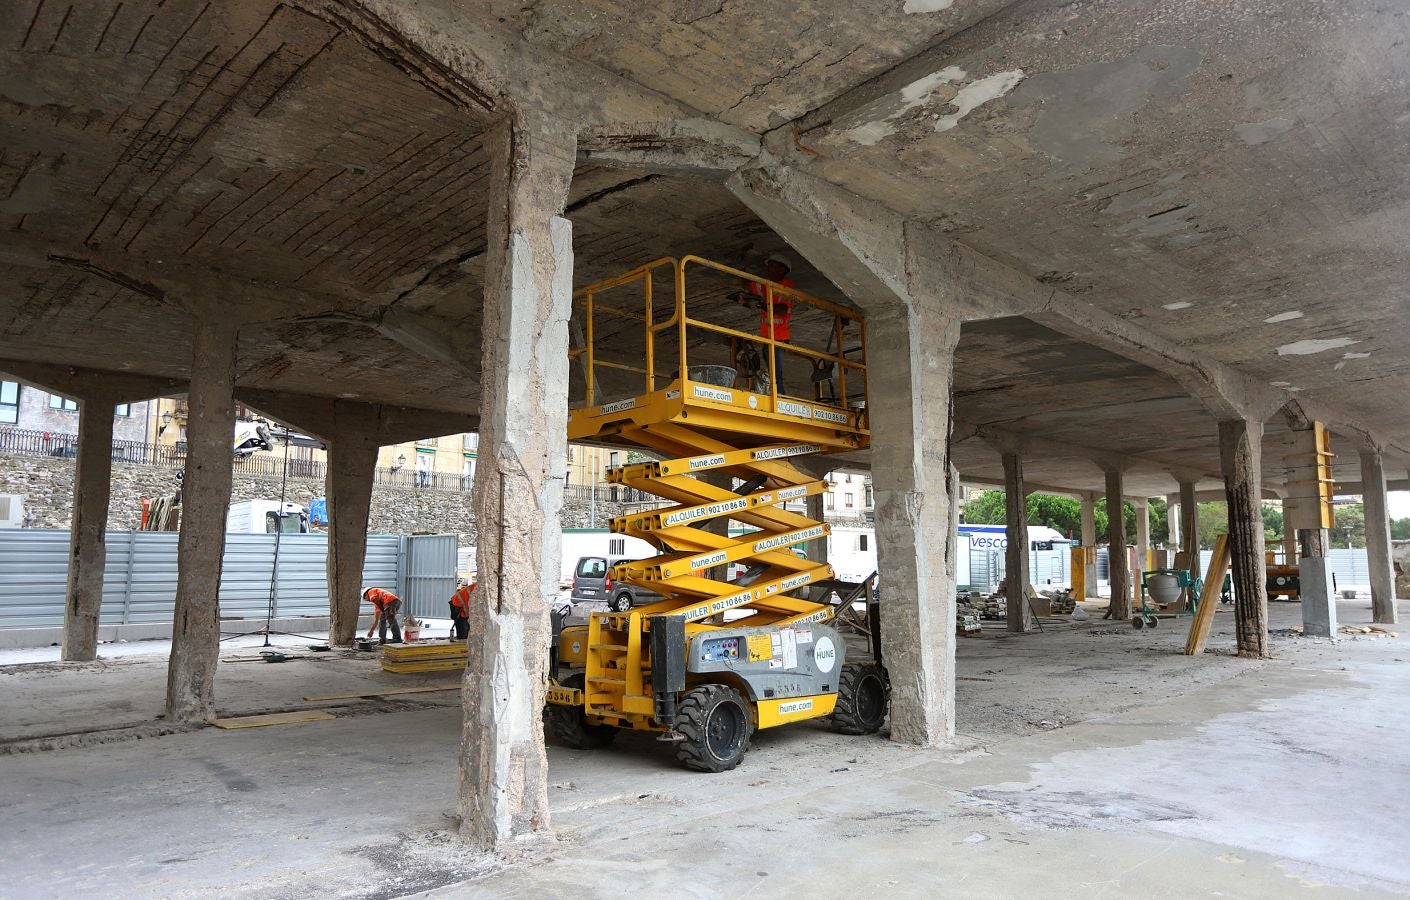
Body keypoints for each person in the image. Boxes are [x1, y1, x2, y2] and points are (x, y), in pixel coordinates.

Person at [736, 253, 795, 394]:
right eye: (769, 265)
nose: (768, 269)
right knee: (772, 371)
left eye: (773, 266)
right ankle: (777, 395)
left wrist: (762, 305)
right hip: (767, 337)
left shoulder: (786, 286)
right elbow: (746, 284)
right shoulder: (765, 285)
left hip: (778, 338)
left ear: (782, 270)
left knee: (776, 374)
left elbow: (783, 309)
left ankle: (780, 397)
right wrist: (743, 261)